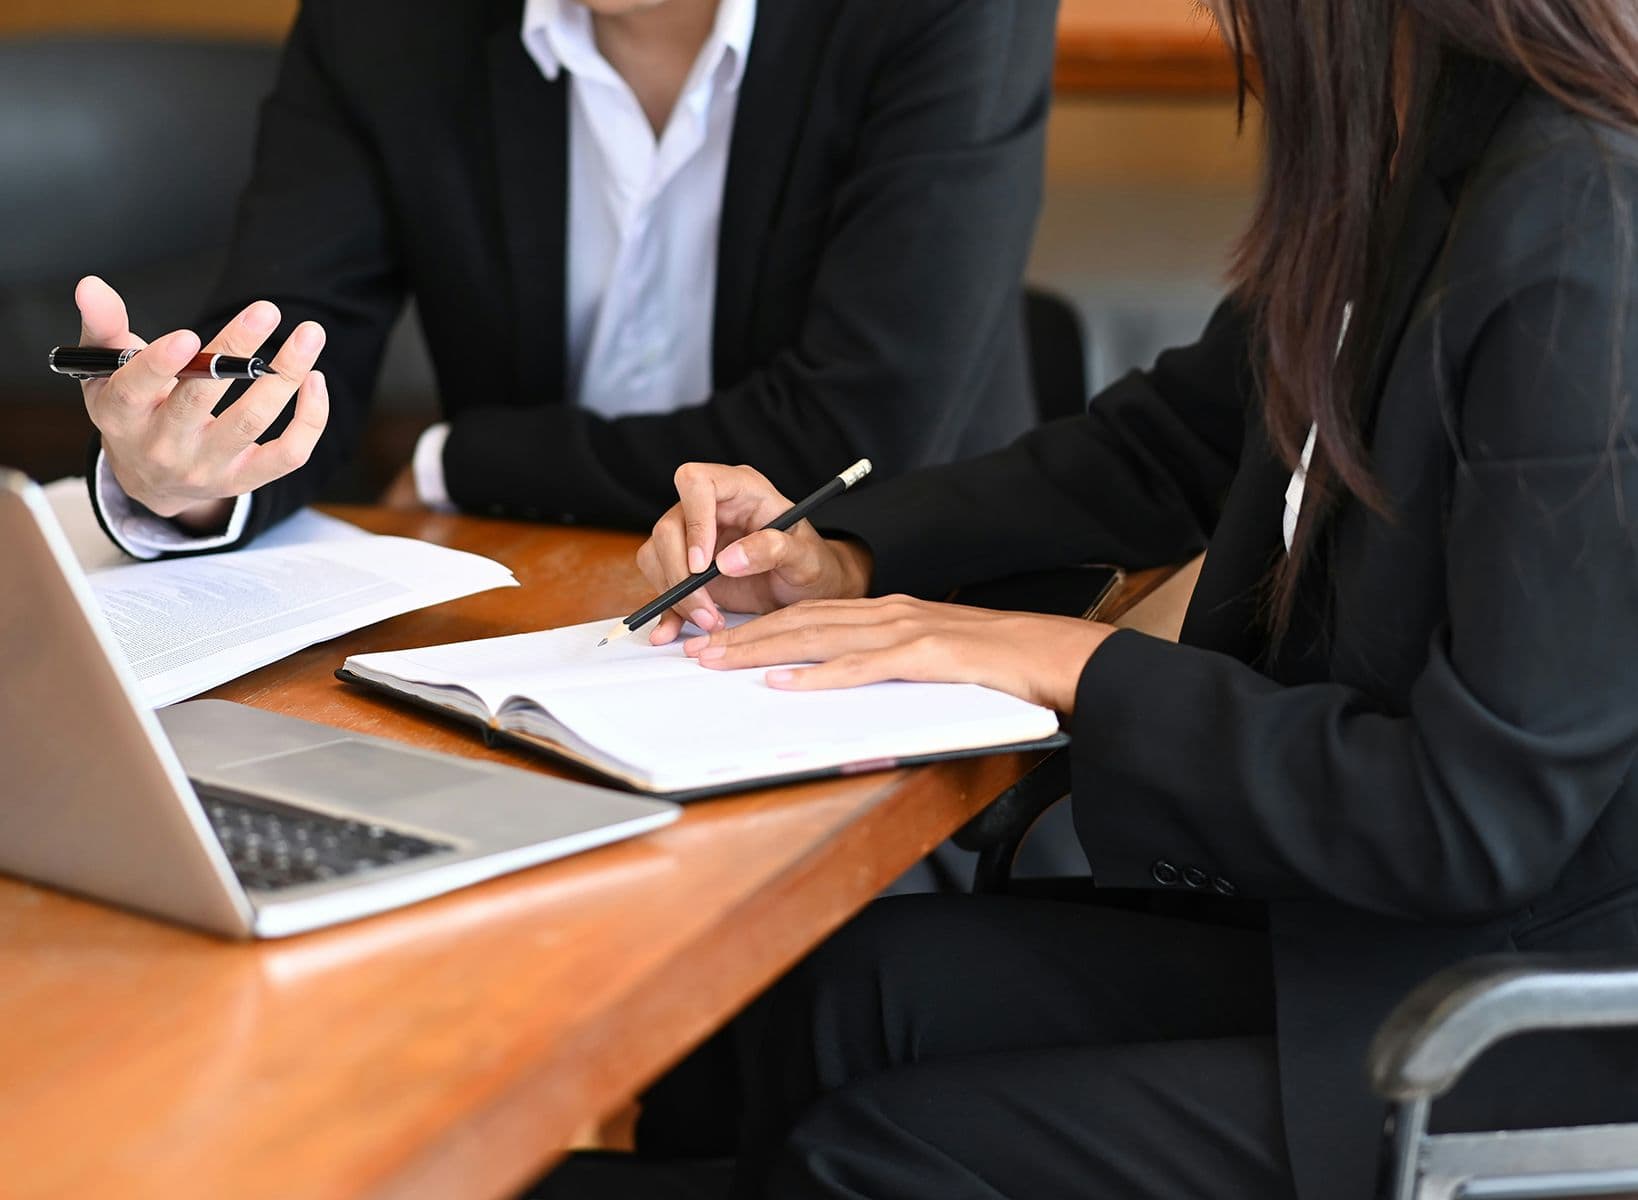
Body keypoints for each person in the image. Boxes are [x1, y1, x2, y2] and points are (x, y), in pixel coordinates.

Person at [599, 0, 1638, 1195]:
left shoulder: (1583, 232)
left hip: (1519, 1030)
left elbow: (1472, 819)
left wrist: (1066, 664)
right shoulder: (1424, 148)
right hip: (1373, 943)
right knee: (845, 997)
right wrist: (839, 554)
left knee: (874, 1157)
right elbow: (1163, 444)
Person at [73, 0, 1056, 561]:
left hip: (877, 609)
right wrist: (188, 468)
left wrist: (467, 464)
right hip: (532, 625)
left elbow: (852, 440)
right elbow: (293, 345)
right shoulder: (383, 22)